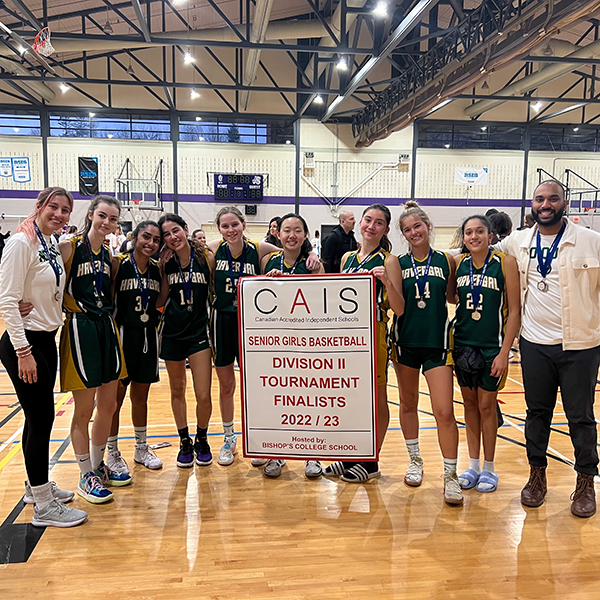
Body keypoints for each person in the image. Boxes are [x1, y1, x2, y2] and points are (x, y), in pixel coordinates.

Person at [497, 180, 600, 518]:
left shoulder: (590, 241)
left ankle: (585, 481)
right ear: (532, 204)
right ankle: (536, 475)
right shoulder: (518, 241)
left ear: (564, 203)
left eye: (552, 199)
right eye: (540, 199)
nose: (546, 204)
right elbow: (477, 249)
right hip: (534, 344)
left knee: (581, 417)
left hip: (580, 345)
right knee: (536, 414)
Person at [0, 187, 88, 527]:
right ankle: (44, 507)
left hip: (44, 339)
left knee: (37, 420)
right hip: (27, 345)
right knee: (41, 421)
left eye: (66, 210)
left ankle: (36, 488)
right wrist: (24, 352)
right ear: (39, 206)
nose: (60, 215)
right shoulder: (21, 243)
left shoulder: (48, 241)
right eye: (54, 207)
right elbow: (7, 299)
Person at [208, 207, 318, 466]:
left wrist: (312, 251)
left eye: (235, 224)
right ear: (219, 229)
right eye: (225, 226)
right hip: (222, 321)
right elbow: (199, 247)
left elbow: (291, 251)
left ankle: (260, 440)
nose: (231, 230)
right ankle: (228, 438)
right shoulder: (213, 251)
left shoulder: (259, 251)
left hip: (253, 325)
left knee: (257, 387)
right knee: (226, 386)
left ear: (244, 224)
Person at [323, 204, 404, 482]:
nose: (371, 226)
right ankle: (350, 454)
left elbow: (399, 308)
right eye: (368, 220)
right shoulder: (347, 258)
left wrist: (387, 282)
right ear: (360, 223)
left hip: (374, 333)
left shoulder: (389, 260)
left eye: (378, 223)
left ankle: (371, 460)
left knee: (377, 399)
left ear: (385, 229)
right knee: (352, 399)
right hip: (347, 337)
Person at [389, 201, 463, 506]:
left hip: (437, 343)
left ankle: (450, 475)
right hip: (405, 342)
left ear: (428, 227)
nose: (413, 232)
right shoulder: (397, 261)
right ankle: (415, 459)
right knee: (408, 403)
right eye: (407, 229)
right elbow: (397, 306)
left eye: (417, 226)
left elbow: (452, 297)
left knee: (444, 411)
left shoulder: (447, 260)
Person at [59, 195, 131, 504]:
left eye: (113, 219)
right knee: (84, 408)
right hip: (80, 327)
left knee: (109, 405)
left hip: (106, 328)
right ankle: (84, 474)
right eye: (103, 215)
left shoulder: (110, 257)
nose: (107, 222)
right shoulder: (69, 247)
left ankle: (99, 464)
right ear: (91, 215)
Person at [453, 215, 520, 495]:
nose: (474, 236)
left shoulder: (505, 262)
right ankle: (473, 465)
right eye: (469, 232)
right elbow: (450, 297)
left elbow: (515, 310)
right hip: (463, 344)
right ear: (464, 238)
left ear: (490, 234)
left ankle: (490, 468)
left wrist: (506, 351)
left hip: (492, 347)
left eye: (479, 231)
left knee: (486, 407)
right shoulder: (458, 263)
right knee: (469, 406)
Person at [260, 213, 324, 478]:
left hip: (307, 342)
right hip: (278, 341)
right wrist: (268, 281)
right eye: (287, 230)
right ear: (278, 234)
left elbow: (323, 299)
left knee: (308, 399)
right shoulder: (268, 262)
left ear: (305, 235)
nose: (292, 235)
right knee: (280, 400)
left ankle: (312, 453)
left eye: (298, 230)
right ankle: (277, 452)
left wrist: (317, 268)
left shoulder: (312, 263)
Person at [106, 221, 163, 474]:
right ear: (135, 237)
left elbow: (160, 300)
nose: (150, 243)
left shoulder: (158, 269)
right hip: (121, 336)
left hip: (148, 337)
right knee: (114, 401)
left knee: (141, 398)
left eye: (156, 240)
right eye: (146, 237)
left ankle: (141, 448)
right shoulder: (119, 264)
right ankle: (112, 452)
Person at [158, 213, 214, 468]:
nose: (172, 237)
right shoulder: (166, 263)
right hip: (172, 332)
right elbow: (160, 301)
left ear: (185, 229)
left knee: (203, 394)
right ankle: (184, 440)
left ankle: (202, 437)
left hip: (199, 333)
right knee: (177, 389)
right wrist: (159, 269)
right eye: (166, 234)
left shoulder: (206, 258)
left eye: (175, 231)